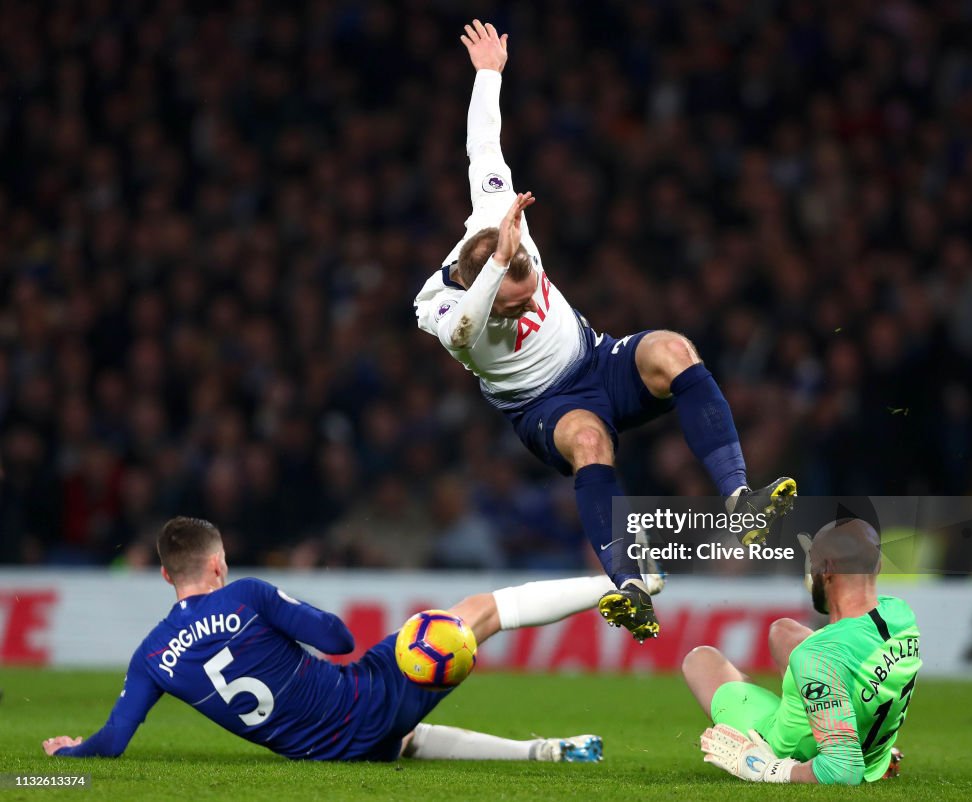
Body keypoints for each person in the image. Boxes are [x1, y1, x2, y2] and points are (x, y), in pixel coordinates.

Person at [414, 20, 796, 644]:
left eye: (527, 279)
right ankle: (628, 583)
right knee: (590, 442)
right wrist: (491, 287)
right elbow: (460, 333)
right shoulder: (438, 303)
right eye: (512, 300)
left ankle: (739, 500)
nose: (527, 294)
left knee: (673, 349)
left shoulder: (499, 218)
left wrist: (488, 72)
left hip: (596, 358)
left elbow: (483, 143)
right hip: (542, 405)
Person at [41, 516, 634, 763]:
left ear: (166, 575)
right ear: (218, 564)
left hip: (329, 749)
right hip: (364, 700)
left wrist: (68, 755)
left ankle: (544, 752)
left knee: (409, 739)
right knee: (475, 612)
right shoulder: (247, 595)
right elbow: (341, 638)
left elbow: (113, 741)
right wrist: (286, 612)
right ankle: (619, 582)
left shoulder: (151, 657)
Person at [685, 519, 919, 784]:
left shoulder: (819, 655)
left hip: (801, 751)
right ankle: (877, 752)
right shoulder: (900, 614)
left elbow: (843, 771)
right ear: (878, 565)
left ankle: (781, 741)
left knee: (700, 660)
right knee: (782, 631)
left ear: (826, 569)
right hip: (874, 752)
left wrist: (768, 769)